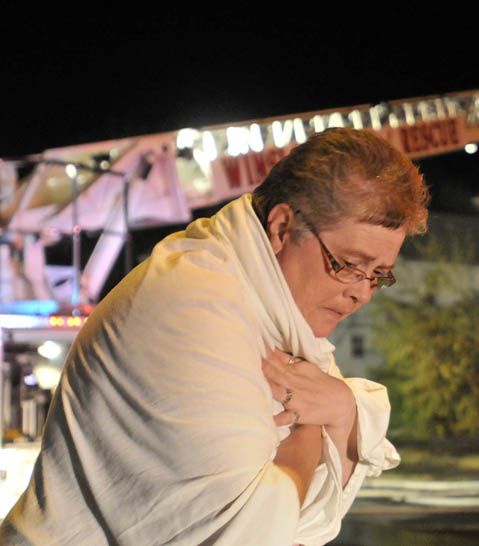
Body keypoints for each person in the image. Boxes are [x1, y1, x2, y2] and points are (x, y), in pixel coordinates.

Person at [0, 128, 430, 545]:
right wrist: (313, 427)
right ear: (281, 229)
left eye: (379, 275)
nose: (361, 292)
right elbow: (255, 529)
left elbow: (306, 526)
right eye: (350, 264)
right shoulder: (194, 304)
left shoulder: (272, 310)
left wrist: (338, 402)